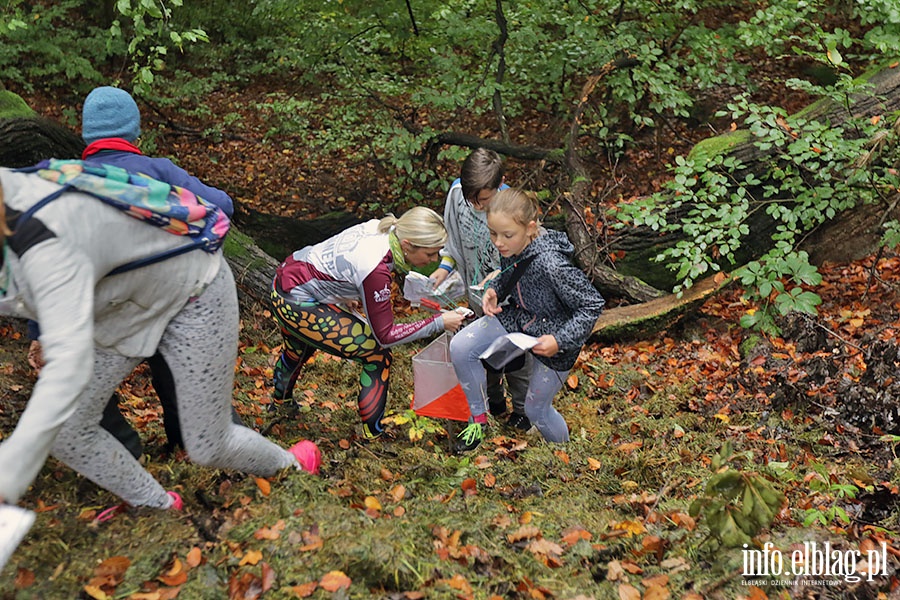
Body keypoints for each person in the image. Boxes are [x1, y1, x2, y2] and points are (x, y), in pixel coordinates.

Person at [0, 167, 320, 571]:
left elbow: (68, 367)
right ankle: (155, 505)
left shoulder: (47, 238)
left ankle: (289, 465)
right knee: (67, 430)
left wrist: (8, 473)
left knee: (207, 443)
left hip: (192, 291)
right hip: (120, 308)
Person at [25, 86, 238, 455]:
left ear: (87, 134)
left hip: (99, 311)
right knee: (177, 368)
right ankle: (195, 439)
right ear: (135, 132)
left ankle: (122, 450)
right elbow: (222, 205)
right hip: (166, 301)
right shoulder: (159, 172)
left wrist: (39, 331)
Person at [271, 207, 467, 438]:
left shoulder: (382, 227)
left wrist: (342, 294)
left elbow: (340, 263)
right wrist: (440, 321)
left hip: (287, 282)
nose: (434, 260)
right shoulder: (376, 268)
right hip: (297, 299)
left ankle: (280, 404)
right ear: (407, 244)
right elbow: (385, 335)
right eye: (430, 254)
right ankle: (373, 434)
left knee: (298, 347)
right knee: (377, 354)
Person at [449, 189, 605, 453]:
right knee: (461, 347)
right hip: (520, 319)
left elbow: (592, 304)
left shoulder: (552, 265)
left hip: (554, 339)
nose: (498, 242)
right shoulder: (512, 245)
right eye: (493, 233)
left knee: (536, 411)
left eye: (506, 235)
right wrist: (495, 289)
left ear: (531, 228)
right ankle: (478, 419)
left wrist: (559, 340)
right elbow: (512, 271)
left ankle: (564, 456)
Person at [429, 148, 533, 431]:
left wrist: (502, 282)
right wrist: (445, 266)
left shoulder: (515, 210)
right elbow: (453, 238)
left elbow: (530, 259)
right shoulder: (456, 195)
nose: (475, 205)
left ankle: (523, 410)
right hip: (477, 296)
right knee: (480, 349)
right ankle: (494, 400)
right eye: (470, 197)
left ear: (500, 185)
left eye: (483, 200)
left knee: (516, 355)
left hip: (511, 300)